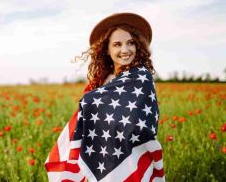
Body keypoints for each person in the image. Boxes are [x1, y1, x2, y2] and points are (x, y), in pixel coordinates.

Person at [45, 12, 165, 182]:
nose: (125, 50)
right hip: (99, 151)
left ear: (138, 46)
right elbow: (87, 115)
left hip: (131, 155)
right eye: (117, 44)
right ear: (107, 50)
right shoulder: (101, 80)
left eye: (130, 43)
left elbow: (139, 122)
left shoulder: (141, 78)